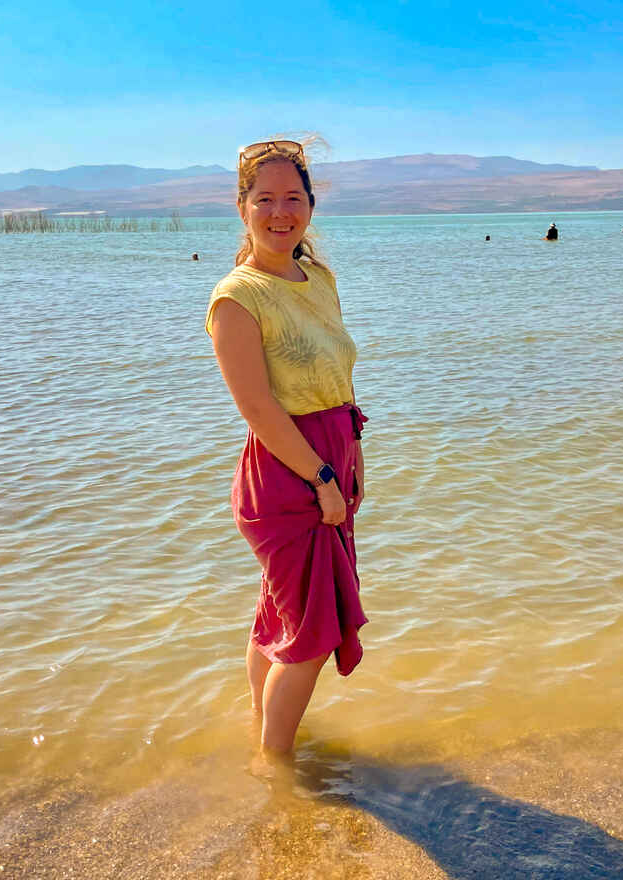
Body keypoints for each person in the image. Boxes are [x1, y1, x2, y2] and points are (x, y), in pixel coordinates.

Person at [205, 139, 368, 768]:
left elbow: (341, 378)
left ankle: (260, 730)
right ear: (242, 207)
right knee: (308, 635)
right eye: (265, 198)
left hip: (330, 459)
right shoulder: (236, 298)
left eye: (293, 198)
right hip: (286, 472)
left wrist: (355, 457)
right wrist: (323, 476)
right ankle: (277, 771)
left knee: (280, 610)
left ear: (310, 206)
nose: (281, 211)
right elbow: (259, 409)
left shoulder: (319, 278)